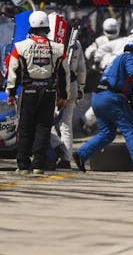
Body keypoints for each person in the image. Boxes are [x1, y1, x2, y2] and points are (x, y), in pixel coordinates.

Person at [72, 40, 133, 173]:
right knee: (130, 130)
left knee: (107, 133)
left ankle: (81, 154)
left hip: (98, 97)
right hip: (112, 98)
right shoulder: (129, 56)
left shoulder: (115, 60)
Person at [5, 10, 69, 175]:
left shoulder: (20, 46)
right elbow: (64, 74)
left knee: (25, 127)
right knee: (43, 128)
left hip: (29, 91)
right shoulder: (59, 48)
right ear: (47, 27)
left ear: (30, 27)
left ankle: (23, 165)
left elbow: (13, 72)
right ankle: (38, 165)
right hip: (48, 91)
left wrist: (10, 93)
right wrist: (63, 96)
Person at [49, 15, 86, 169]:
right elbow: (82, 68)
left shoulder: (48, 43)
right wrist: (81, 87)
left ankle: (57, 148)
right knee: (66, 125)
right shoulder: (76, 44)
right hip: (72, 85)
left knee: (47, 122)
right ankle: (66, 158)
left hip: (53, 86)